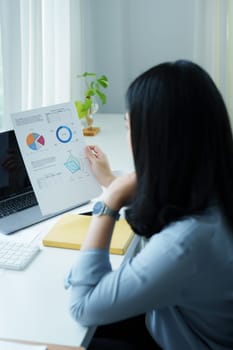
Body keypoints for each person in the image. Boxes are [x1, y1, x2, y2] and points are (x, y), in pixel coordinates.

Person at [65, 60, 233, 350]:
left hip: (179, 340)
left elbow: (82, 306)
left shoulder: (185, 243)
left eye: (129, 126)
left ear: (155, 138)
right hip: (178, 321)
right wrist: (110, 180)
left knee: (69, 342)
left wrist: (109, 201)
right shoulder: (216, 190)